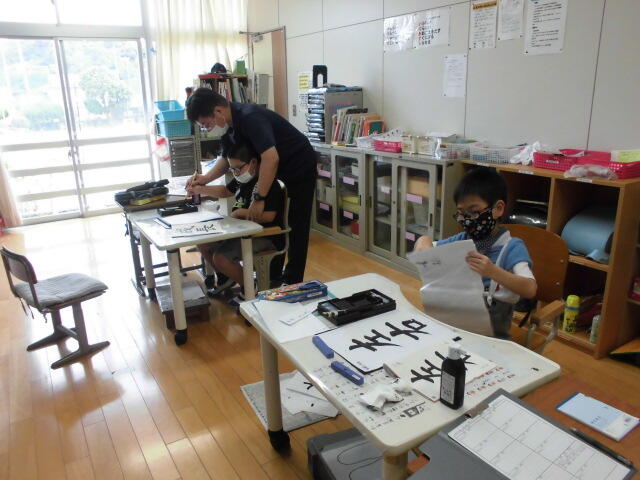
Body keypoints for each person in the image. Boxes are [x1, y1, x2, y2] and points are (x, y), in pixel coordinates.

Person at [186, 87, 316, 286]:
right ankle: (273, 277)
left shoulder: (250, 118)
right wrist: (205, 179)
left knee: (295, 225)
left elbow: (271, 158)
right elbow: (225, 158)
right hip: (274, 165)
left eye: (206, 124)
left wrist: (259, 197)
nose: (206, 129)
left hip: (298, 165)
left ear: (218, 111)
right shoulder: (229, 125)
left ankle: (292, 282)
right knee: (277, 219)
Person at [414, 168, 537, 338]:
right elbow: (423, 244)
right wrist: (425, 245)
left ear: (498, 208)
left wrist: (493, 271)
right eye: (462, 214)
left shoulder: (512, 247)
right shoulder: (463, 239)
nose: (467, 220)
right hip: (455, 323)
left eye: (474, 212)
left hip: (492, 334)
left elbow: (530, 289)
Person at [188, 142, 284, 303]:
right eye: (232, 169)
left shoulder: (267, 184)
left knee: (220, 258)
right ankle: (225, 277)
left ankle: (249, 288)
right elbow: (226, 191)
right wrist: (200, 189)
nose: (236, 173)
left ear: (253, 162)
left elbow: (269, 217)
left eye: (238, 168)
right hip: (240, 230)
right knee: (203, 244)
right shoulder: (242, 178)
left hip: (264, 236)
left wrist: (240, 213)